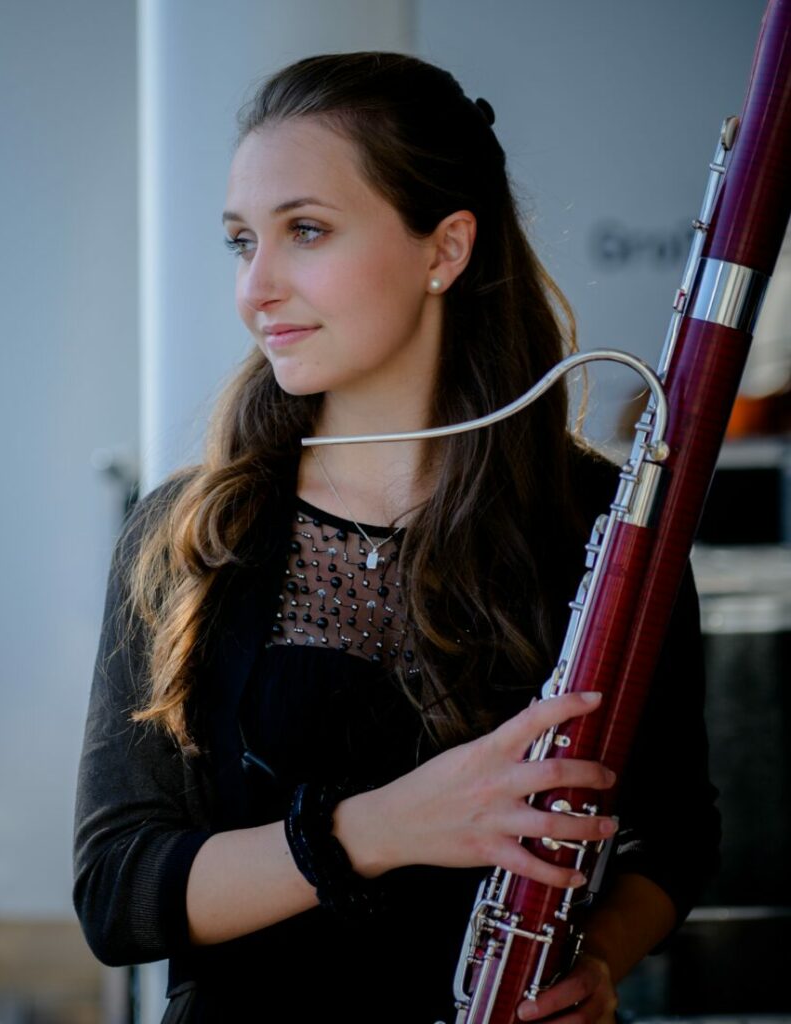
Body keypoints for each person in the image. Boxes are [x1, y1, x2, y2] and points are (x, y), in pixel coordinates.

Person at [73, 52, 719, 1023]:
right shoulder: (188, 533)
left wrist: (592, 962)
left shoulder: (602, 521)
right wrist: (376, 829)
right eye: (241, 241)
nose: (256, 287)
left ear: (444, 249)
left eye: (305, 230)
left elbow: (672, 838)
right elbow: (117, 891)